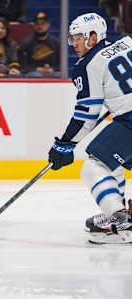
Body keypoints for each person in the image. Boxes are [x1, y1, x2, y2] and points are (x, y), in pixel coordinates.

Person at [47, 13, 132, 244]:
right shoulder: (127, 41)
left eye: (78, 38)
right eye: (72, 39)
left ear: (93, 37)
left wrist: (64, 144)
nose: (74, 44)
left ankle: (120, 220)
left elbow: (87, 115)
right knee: (110, 160)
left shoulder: (88, 65)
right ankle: (120, 213)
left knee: (94, 166)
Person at [18, 12, 60, 77]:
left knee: (59, 74)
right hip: (34, 72)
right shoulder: (26, 43)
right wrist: (36, 69)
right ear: (34, 25)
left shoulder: (56, 43)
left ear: (48, 24)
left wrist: (53, 69)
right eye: (37, 24)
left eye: (43, 24)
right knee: (36, 75)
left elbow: (61, 65)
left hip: (52, 72)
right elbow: (22, 66)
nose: (40, 26)